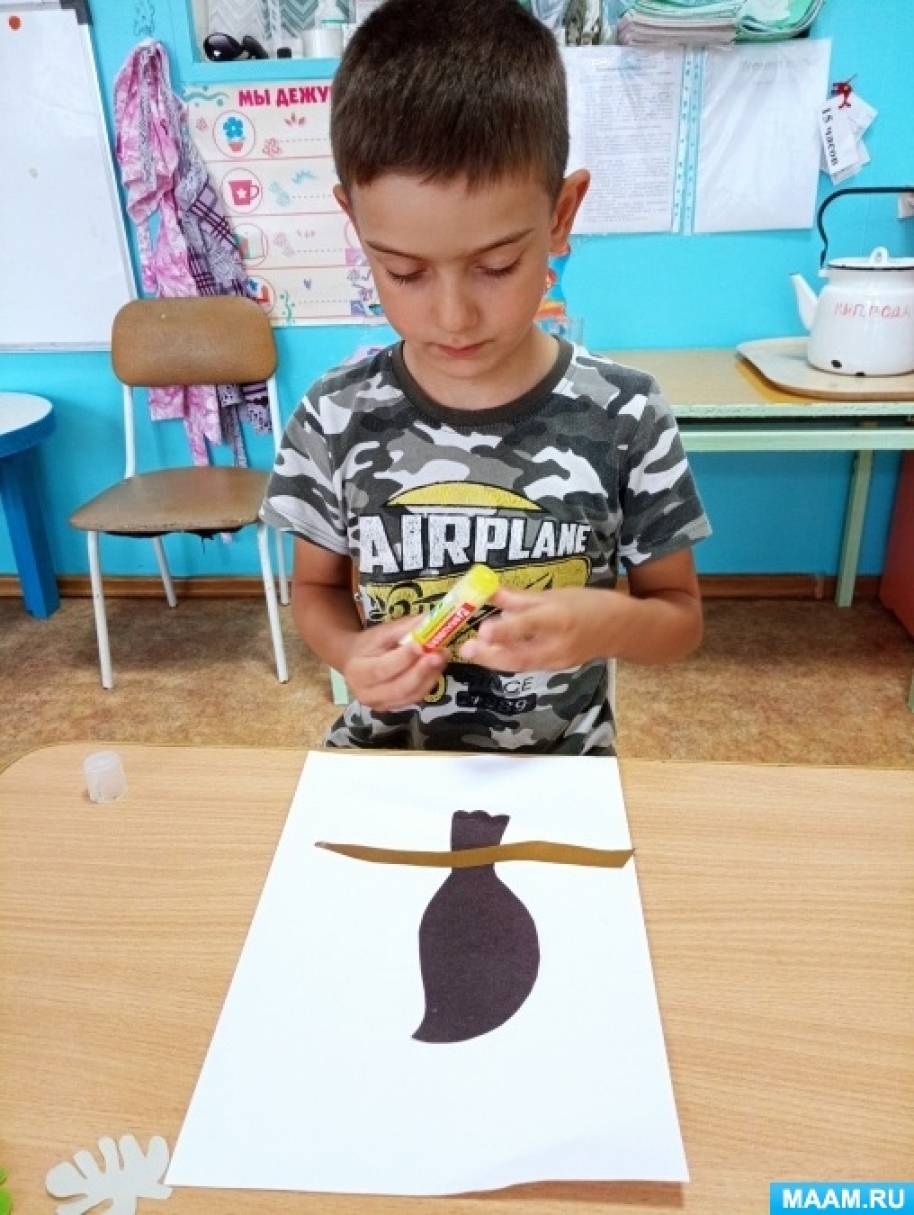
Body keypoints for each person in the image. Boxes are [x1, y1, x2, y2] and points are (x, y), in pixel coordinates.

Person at [260, 0, 711, 754]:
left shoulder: (625, 414)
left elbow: (680, 620)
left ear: (561, 214)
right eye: (403, 272)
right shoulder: (334, 417)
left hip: (561, 771)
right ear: (355, 223)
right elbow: (314, 590)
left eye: (497, 265)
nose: (452, 317)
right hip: (388, 763)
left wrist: (608, 622)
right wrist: (348, 651)